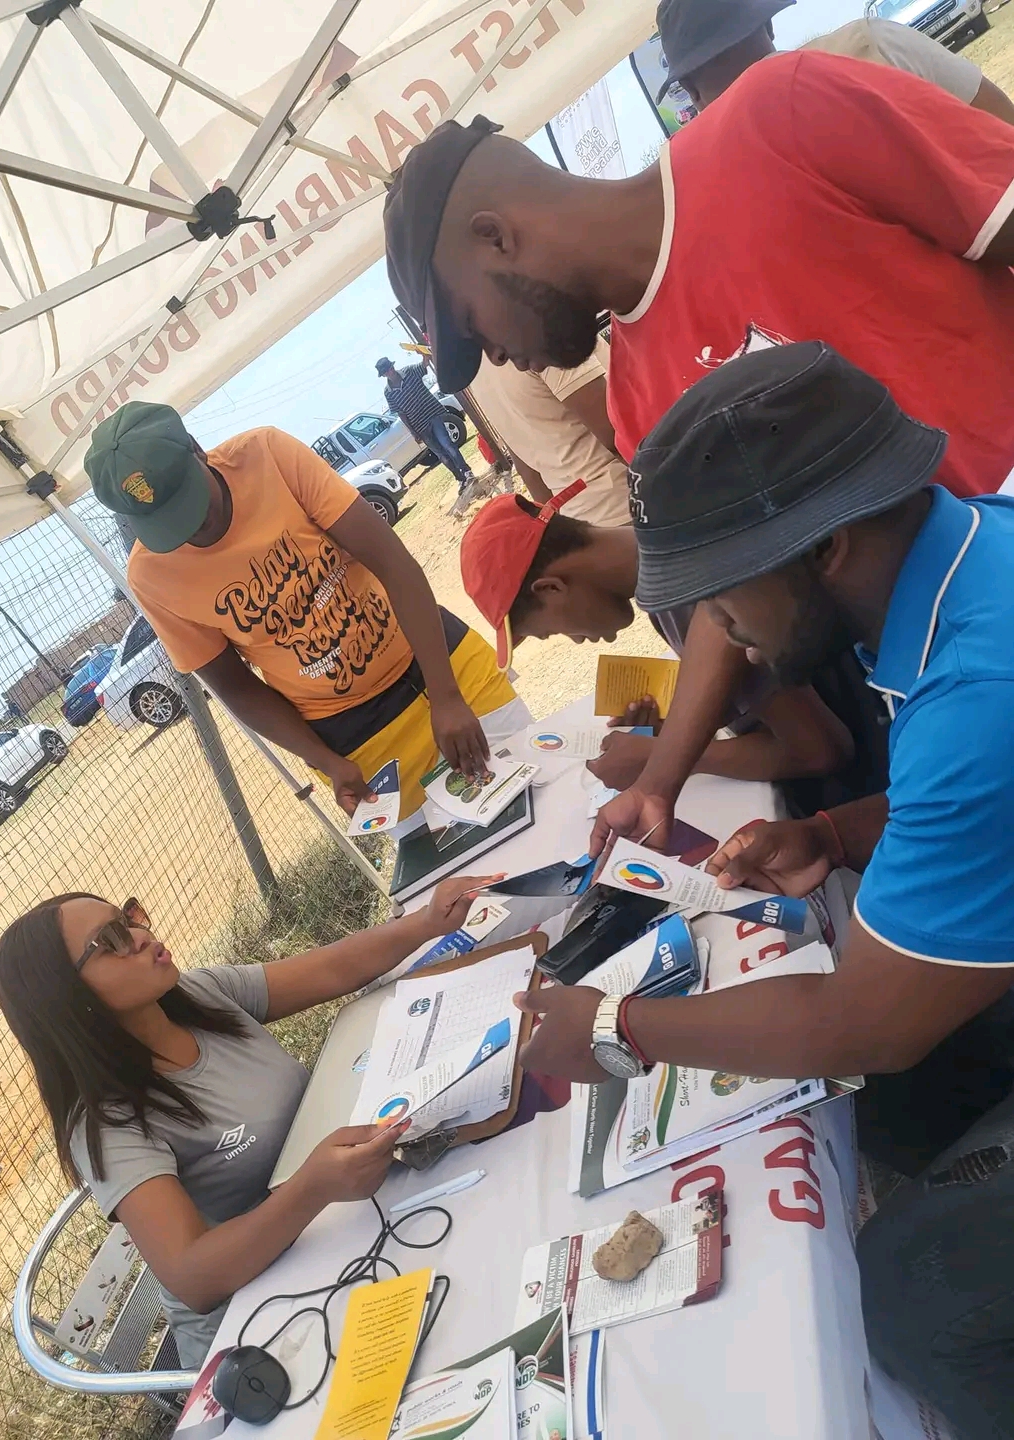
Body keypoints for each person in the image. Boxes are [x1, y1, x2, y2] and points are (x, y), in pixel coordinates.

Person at [512, 342, 1014, 1439]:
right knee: (900, 1108)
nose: (716, 631)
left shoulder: (980, 681)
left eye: (722, 594)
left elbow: (863, 1026)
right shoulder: (972, 555)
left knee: (914, 1297)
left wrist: (617, 1028)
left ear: (824, 547)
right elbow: (970, 807)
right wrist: (830, 831)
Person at [382, 51, 1014, 856]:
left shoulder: (778, 118)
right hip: (958, 697)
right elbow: (727, 597)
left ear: (495, 236)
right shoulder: (635, 402)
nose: (497, 358)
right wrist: (659, 781)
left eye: (474, 328)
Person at [0, 875, 496, 1367]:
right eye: (111, 940)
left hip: (346, 1231)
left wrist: (427, 922)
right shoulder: (108, 1124)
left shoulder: (201, 996)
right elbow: (194, 1276)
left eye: (129, 918)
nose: (140, 935)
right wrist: (312, 1188)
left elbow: (332, 968)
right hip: (266, 1331)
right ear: (66, 999)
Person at [85, 403, 529, 821]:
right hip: (354, 735)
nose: (192, 524)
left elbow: (392, 562)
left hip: (439, 663)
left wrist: (446, 696)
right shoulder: (151, 575)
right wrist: (327, 762)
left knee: (537, 789)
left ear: (198, 450)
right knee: (447, 862)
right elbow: (236, 687)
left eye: (189, 499)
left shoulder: (267, 456)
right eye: (168, 522)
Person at [459, 487, 875, 814]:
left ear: (551, 588)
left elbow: (819, 751)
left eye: (550, 632)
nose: (576, 640)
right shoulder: (660, 556)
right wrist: (681, 722)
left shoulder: (681, 595)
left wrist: (664, 754)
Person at [655, 0, 1014, 123]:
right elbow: (999, 118)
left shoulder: (722, 183)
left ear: (691, 92)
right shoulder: (872, 42)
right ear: (769, 26)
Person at [465, 342, 631, 527]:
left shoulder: (475, 370)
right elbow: (617, 433)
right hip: (627, 500)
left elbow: (527, 469)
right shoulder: (534, 331)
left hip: (581, 518)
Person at [375, 356, 475, 493]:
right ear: (383, 375)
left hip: (433, 414)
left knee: (447, 444)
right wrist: (412, 432)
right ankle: (460, 479)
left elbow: (423, 365)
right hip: (419, 426)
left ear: (393, 366)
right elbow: (400, 413)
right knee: (441, 455)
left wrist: (424, 355)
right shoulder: (388, 393)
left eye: (390, 368)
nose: (390, 372)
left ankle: (466, 471)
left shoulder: (409, 371)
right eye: (386, 372)